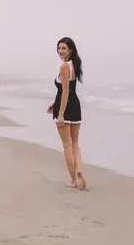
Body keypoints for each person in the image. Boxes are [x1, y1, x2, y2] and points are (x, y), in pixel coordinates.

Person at [47, 37, 87, 190]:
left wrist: (61, 114)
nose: (60, 51)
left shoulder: (65, 66)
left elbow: (65, 91)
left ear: (70, 49)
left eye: (64, 48)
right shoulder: (75, 64)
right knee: (75, 143)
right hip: (75, 106)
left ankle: (73, 180)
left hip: (66, 107)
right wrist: (54, 104)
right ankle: (79, 171)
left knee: (67, 145)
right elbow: (68, 90)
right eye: (59, 48)